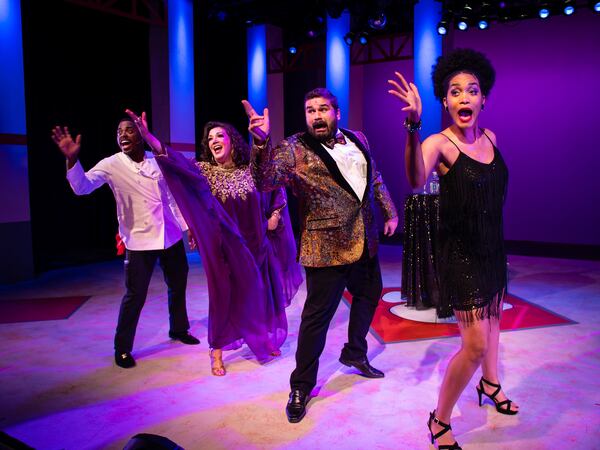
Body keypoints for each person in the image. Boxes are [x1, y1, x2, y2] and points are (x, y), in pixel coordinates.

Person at [388, 48, 519, 449]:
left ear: (484, 100)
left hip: (492, 248)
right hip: (459, 256)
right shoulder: (438, 144)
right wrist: (412, 127)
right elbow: (413, 178)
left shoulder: (491, 138)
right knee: (475, 344)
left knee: (494, 320)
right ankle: (439, 419)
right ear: (445, 101)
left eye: (472, 91)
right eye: (455, 91)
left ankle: (491, 385)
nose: (464, 97)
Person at [243, 88, 398, 423]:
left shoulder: (359, 138)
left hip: (365, 239)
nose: (316, 116)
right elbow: (265, 181)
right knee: (317, 320)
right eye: (310, 110)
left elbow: (376, 177)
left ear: (337, 113)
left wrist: (390, 211)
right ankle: (300, 386)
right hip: (325, 247)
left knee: (369, 294)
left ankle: (355, 352)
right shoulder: (294, 148)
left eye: (323, 109)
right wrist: (260, 144)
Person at [123, 111, 302, 376]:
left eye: (220, 135)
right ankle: (216, 349)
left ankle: (261, 338)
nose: (214, 141)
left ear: (233, 141)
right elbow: (174, 161)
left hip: (255, 245)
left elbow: (275, 187)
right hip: (221, 248)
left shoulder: (251, 171)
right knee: (222, 295)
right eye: (209, 138)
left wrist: (275, 215)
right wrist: (149, 137)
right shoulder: (204, 172)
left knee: (258, 291)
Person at [51, 121, 199, 369]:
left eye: (128, 130)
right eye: (118, 132)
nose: (122, 135)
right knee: (135, 295)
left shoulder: (157, 160)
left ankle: (179, 329)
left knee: (178, 284)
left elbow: (171, 198)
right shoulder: (112, 164)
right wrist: (72, 161)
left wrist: (188, 226)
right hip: (138, 240)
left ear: (141, 135)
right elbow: (82, 187)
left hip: (170, 235)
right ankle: (122, 348)